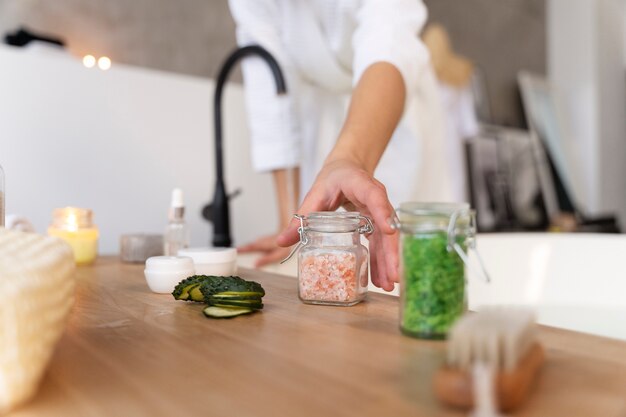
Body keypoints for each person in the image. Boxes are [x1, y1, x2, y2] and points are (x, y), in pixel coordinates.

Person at [229, 0, 430, 291]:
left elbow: (389, 41)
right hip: (324, 120)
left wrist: (350, 159)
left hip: (387, 108)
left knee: (407, 270)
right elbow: (271, 92)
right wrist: (290, 222)